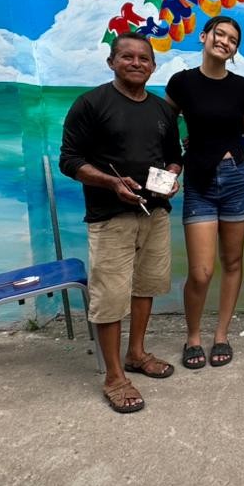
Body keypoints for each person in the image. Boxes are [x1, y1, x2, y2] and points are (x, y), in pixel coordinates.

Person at [59, 32, 182, 414]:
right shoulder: (91, 104)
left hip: (155, 214)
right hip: (110, 218)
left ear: (153, 66)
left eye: (144, 58)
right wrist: (111, 183)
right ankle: (114, 377)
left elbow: (173, 155)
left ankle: (136, 353)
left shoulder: (162, 110)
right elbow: (69, 160)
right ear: (111, 62)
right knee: (110, 296)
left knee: (146, 287)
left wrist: (172, 176)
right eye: (127, 56)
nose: (136, 63)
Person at [165, 15, 244, 370]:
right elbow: (163, 126)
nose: (225, 41)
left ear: (235, 50)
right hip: (199, 182)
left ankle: (221, 334)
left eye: (233, 39)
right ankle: (193, 337)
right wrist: (173, 161)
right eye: (220, 34)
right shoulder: (182, 82)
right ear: (204, 36)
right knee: (201, 271)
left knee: (232, 262)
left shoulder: (242, 88)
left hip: (235, 180)